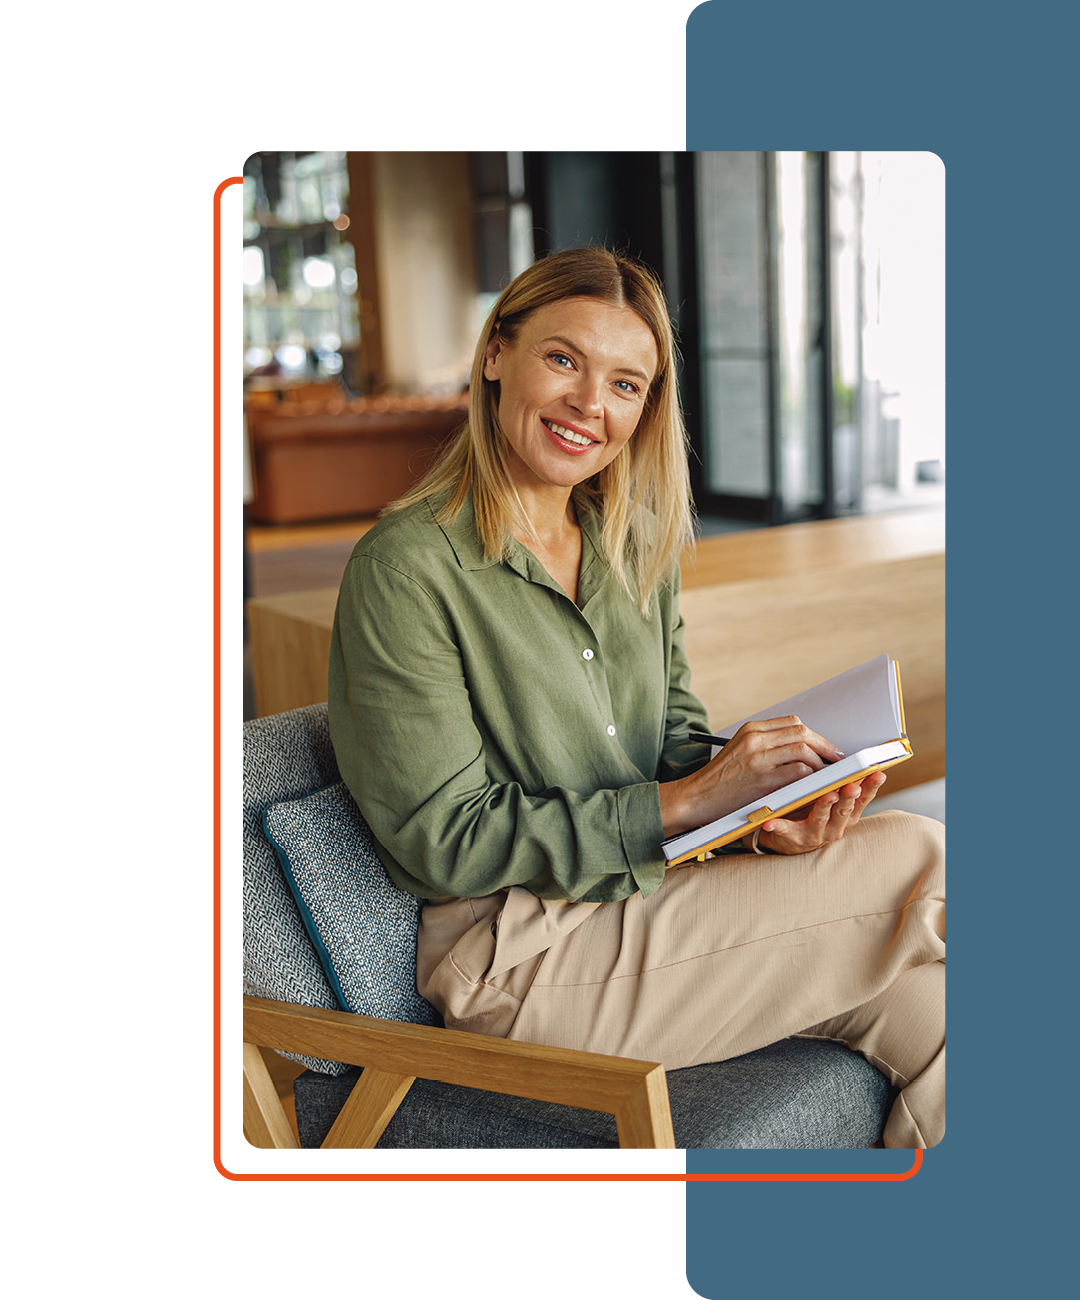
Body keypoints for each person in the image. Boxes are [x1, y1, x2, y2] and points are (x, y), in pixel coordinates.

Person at [328, 246, 944, 1149]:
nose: (591, 405)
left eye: (627, 384)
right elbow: (442, 842)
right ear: (497, 353)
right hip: (519, 958)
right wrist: (688, 801)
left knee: (938, 1014)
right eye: (564, 359)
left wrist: (763, 812)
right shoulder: (407, 569)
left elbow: (678, 741)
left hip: (660, 904)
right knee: (920, 855)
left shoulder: (627, 547)